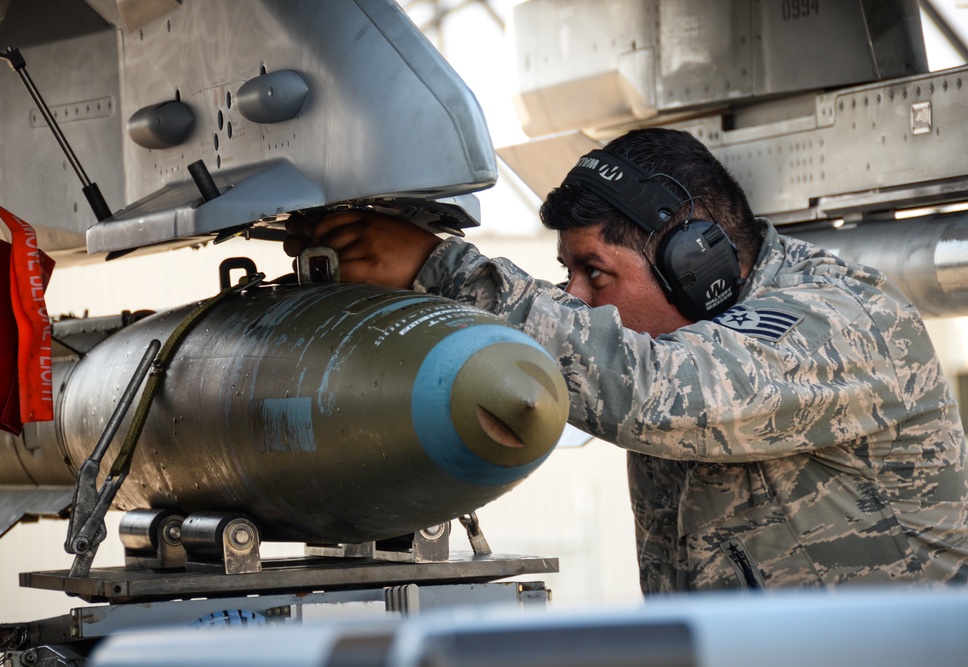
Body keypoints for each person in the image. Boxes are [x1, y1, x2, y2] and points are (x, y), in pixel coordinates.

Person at [284, 127, 968, 592]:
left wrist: (439, 267)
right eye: (567, 274)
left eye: (596, 273)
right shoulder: (692, 329)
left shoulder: (842, 322)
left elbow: (653, 390)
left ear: (694, 262)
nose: (576, 302)